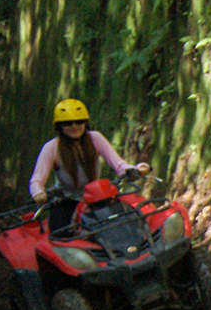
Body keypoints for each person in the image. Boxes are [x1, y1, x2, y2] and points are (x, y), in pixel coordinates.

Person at [27, 98, 150, 231]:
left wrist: (136, 169)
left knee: (124, 223)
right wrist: (38, 193)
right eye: (67, 123)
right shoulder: (51, 147)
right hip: (66, 199)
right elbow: (36, 180)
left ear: (86, 123)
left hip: (97, 196)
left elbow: (119, 165)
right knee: (59, 234)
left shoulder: (95, 138)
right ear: (59, 126)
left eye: (79, 121)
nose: (74, 126)